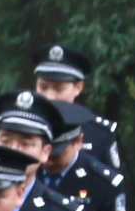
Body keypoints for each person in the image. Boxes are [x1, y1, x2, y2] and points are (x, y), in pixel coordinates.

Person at [30, 42, 122, 181]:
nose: (49, 96)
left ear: (78, 87)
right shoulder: (23, 126)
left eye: (59, 89)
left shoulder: (99, 133)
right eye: (43, 87)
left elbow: (110, 185)